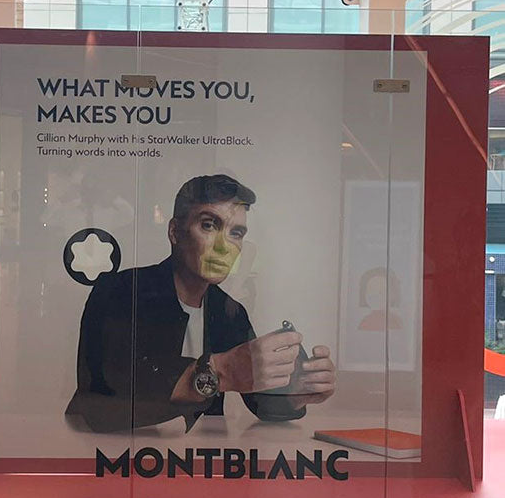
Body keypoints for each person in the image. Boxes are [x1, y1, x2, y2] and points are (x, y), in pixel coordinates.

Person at [65, 174, 337, 433]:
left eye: (236, 233)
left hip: (192, 460)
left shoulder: (228, 311)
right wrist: (221, 371)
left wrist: (296, 391)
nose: (223, 247)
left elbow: (262, 403)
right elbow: (105, 394)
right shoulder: (120, 291)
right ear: (175, 231)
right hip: (102, 454)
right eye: (209, 225)